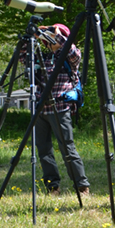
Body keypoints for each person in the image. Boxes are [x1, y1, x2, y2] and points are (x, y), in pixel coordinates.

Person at [21, 23, 91, 197]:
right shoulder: (43, 58)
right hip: (40, 109)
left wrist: (56, 34)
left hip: (60, 108)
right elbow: (23, 57)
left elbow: (69, 49)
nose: (50, 38)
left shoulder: (71, 57)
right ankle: (53, 187)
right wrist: (30, 36)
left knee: (67, 147)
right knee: (43, 150)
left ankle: (82, 187)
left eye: (55, 35)